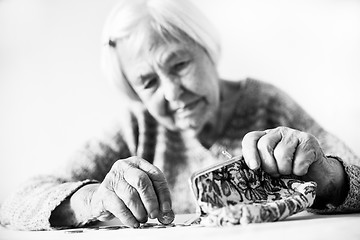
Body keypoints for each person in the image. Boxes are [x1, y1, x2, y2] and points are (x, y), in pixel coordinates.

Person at [1, 0, 359, 231]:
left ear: (207, 49)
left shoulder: (267, 104)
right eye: (148, 81)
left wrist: (327, 174)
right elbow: (17, 203)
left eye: (180, 64)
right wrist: (93, 199)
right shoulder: (137, 127)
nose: (173, 93)